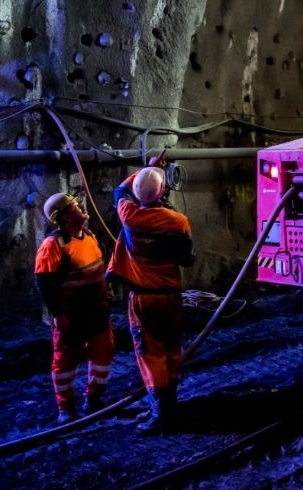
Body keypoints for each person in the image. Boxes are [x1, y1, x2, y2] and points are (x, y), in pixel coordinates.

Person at [107, 159, 194, 433]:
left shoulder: (129, 216)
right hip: (170, 296)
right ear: (163, 190)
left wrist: (146, 168)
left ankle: (162, 413)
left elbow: (120, 191)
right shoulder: (179, 222)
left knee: (150, 354)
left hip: (144, 299)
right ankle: (170, 405)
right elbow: (187, 259)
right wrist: (156, 174)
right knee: (171, 350)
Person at [35, 193, 115, 425]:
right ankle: (66, 409)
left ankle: (94, 399)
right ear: (65, 217)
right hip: (71, 318)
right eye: (76, 207)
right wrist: (58, 314)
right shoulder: (53, 246)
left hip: (97, 313)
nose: (82, 208)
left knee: (103, 354)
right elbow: (45, 284)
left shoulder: (88, 236)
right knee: (65, 362)